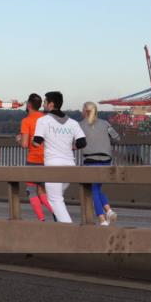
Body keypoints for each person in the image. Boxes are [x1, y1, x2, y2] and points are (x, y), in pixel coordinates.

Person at [32, 91, 87, 224]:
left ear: (51, 104)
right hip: (70, 166)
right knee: (57, 198)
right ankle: (61, 228)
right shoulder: (73, 122)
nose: (43, 105)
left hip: (53, 166)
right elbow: (82, 143)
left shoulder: (43, 120)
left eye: (45, 102)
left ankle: (69, 230)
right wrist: (69, 146)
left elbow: (37, 142)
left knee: (54, 200)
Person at [80, 101, 121, 226]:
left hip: (90, 160)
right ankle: (108, 211)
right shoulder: (105, 123)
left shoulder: (80, 125)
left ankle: (102, 218)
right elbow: (117, 138)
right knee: (96, 188)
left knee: (94, 189)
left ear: (85, 111)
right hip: (106, 160)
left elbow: (76, 141)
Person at [19, 93, 54, 221]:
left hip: (33, 160)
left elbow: (24, 144)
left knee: (31, 191)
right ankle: (57, 213)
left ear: (29, 105)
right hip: (47, 160)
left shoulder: (26, 121)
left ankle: (41, 219)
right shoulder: (46, 118)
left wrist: (19, 140)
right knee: (42, 191)